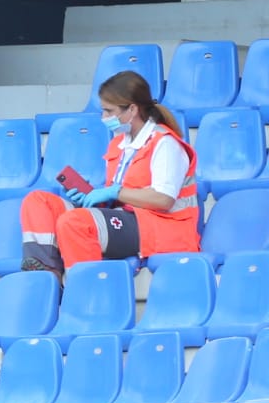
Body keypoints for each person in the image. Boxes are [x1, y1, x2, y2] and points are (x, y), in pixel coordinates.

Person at [20, 70, 199, 276]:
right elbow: (118, 201)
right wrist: (91, 197)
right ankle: (47, 277)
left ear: (132, 109)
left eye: (108, 111)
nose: (103, 117)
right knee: (38, 202)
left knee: (75, 222)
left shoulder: (165, 144)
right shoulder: (119, 144)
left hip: (162, 227)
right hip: (128, 220)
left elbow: (163, 199)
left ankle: (85, 289)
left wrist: (114, 192)